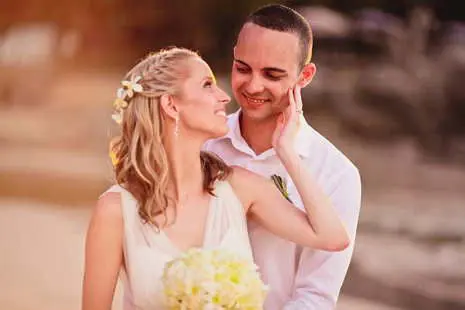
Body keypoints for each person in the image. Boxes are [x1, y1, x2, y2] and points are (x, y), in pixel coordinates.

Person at [82, 47, 349, 310]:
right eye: (207, 85)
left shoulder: (240, 188)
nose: (223, 96)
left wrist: (287, 151)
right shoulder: (115, 211)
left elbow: (332, 237)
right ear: (171, 104)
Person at [204, 4, 362, 310]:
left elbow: (316, 296)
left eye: (272, 74)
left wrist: (287, 153)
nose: (253, 85)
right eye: (243, 68)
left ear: (305, 76)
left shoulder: (338, 173)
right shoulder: (205, 145)